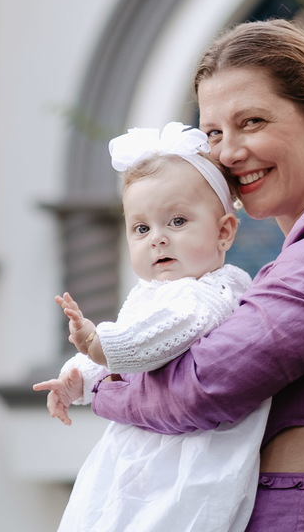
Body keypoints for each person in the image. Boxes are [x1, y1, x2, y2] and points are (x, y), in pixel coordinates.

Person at [89, 19, 304, 531]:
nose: (228, 152)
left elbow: (207, 385)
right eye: (214, 132)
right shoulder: (301, 252)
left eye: (252, 122)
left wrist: (104, 388)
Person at [33, 121, 271, 532]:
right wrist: (79, 377)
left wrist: (98, 342)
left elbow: (161, 339)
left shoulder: (209, 293)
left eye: (177, 222)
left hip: (188, 454)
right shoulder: (151, 293)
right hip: (148, 444)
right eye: (141, 228)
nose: (157, 239)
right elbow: (126, 355)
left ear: (224, 232)